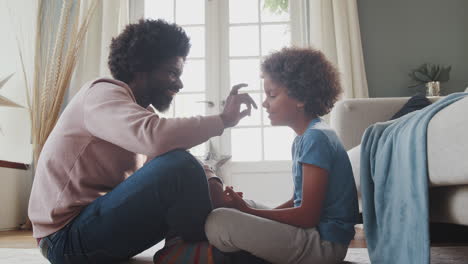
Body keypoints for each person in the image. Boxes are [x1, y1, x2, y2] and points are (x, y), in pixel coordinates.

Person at [27, 19, 256, 264]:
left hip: (92, 228)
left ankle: (211, 244)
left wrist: (215, 186)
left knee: (182, 165)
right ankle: (201, 247)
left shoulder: (139, 114)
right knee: (179, 165)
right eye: (172, 72)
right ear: (141, 68)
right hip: (64, 239)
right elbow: (159, 141)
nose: (179, 83)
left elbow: (170, 153)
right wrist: (223, 119)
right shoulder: (100, 94)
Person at [205, 47, 360, 264]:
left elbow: (307, 216)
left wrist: (249, 212)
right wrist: (248, 211)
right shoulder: (308, 136)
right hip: (315, 234)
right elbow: (299, 200)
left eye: (272, 95)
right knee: (235, 209)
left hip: (324, 244)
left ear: (301, 98)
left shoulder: (316, 139)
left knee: (218, 221)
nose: (264, 103)